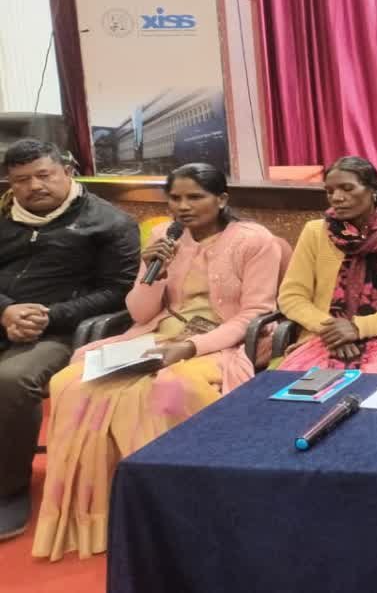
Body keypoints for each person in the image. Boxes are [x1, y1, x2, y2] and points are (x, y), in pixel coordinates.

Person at [31, 162, 285, 560]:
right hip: (158, 334)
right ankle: (108, 515)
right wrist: (155, 273)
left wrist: (190, 348)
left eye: (195, 197)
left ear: (221, 199)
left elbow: (253, 315)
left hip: (223, 343)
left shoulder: (254, 241)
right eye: (175, 198)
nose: (183, 207)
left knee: (170, 386)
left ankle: (178, 513)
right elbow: (139, 311)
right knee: (71, 383)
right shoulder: (162, 235)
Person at [0, 140, 139, 542]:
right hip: (5, 317)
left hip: (63, 331)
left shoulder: (110, 223)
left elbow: (118, 292)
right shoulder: (3, 217)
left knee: (10, 380)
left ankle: (9, 489)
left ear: (67, 171)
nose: (34, 186)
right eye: (22, 180)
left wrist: (49, 315)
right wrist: (6, 310)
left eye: (44, 175)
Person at [277, 156, 377, 372]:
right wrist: (333, 331)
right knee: (291, 387)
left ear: (374, 191)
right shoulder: (315, 232)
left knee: (368, 386)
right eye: (330, 191)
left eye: (347, 188)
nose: (336, 198)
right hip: (325, 338)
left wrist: (358, 328)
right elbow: (291, 297)